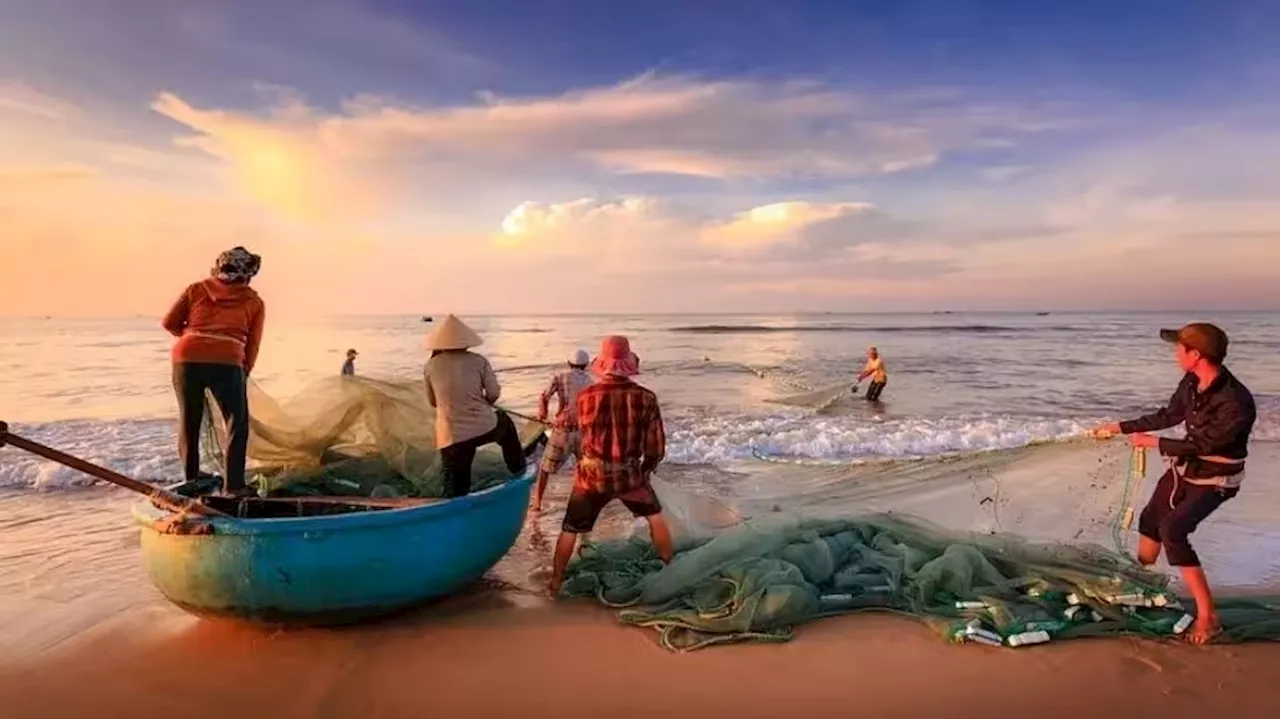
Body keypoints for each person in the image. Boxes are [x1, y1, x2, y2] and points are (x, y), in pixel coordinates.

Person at [1092, 322, 1255, 645]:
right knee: (1151, 520)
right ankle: (1141, 587)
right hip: (1187, 468)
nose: (1175, 354)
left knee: (1174, 531)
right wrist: (1119, 427)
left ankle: (1208, 616)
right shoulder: (1192, 381)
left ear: (1195, 354)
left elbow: (1207, 446)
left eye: (1179, 348)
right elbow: (1169, 415)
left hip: (1217, 477)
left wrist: (1155, 444)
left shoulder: (1236, 401)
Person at [549, 335, 674, 595]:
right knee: (656, 519)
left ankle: (556, 583)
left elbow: (580, 435)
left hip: (591, 476)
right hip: (629, 474)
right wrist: (646, 470)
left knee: (570, 529)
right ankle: (669, 571)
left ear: (602, 365)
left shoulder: (585, 397)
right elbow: (656, 447)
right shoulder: (646, 398)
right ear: (628, 364)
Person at [161, 246, 265, 497]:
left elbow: (169, 323)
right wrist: (244, 370)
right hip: (227, 360)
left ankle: (192, 479)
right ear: (248, 274)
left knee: (189, 420)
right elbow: (253, 343)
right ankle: (234, 486)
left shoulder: (196, 289)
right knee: (236, 422)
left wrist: (193, 337)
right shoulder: (254, 301)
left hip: (186, 358)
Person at [423, 314, 526, 498]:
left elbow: (433, 402)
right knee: (506, 424)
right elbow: (493, 393)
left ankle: (453, 513)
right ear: (465, 341)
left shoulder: (430, 366)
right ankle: (520, 472)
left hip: (450, 436)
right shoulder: (479, 361)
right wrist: (484, 402)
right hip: (482, 427)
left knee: (454, 485)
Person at [532, 348, 593, 511]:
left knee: (545, 468)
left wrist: (542, 415)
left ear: (568, 363)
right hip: (582, 431)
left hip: (562, 430)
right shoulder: (590, 382)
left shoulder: (559, 377)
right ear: (586, 365)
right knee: (582, 468)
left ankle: (537, 503)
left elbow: (544, 396)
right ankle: (582, 501)